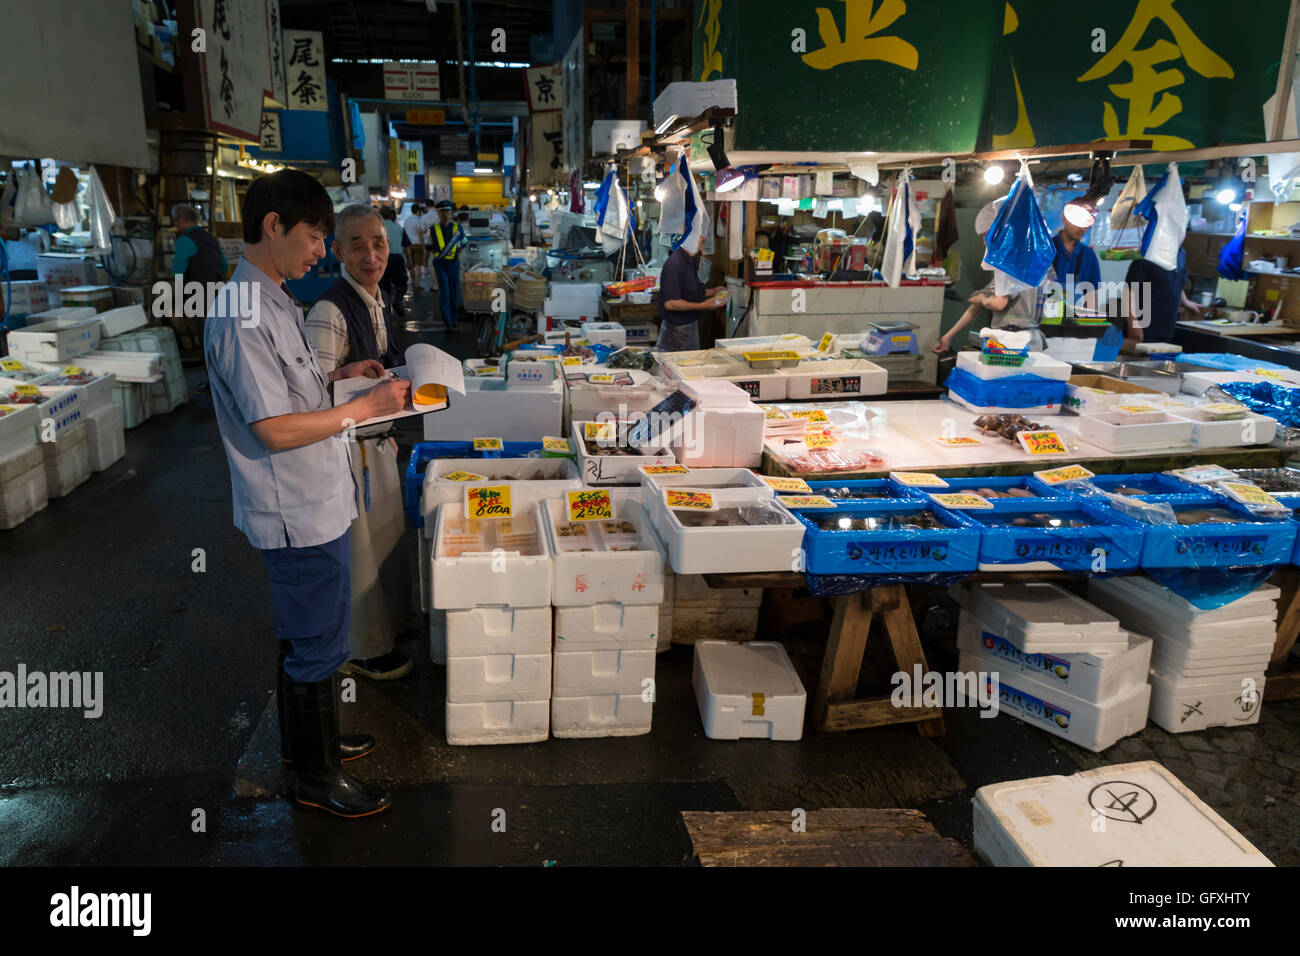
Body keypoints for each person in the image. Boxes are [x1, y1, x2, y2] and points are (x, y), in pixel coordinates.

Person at [204, 170, 410, 818]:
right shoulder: (244, 313)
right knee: (316, 640)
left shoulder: (274, 298)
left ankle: (308, 747)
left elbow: (297, 394)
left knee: (307, 635)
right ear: (274, 227)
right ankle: (317, 778)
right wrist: (365, 407)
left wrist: (344, 377)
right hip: (295, 506)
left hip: (316, 498)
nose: (321, 251)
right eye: (316, 237)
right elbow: (273, 427)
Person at [303, 203, 416, 683]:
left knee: (386, 541)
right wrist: (352, 380)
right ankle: (362, 648)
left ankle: (388, 630)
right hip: (349, 450)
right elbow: (307, 392)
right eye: (357, 244)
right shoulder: (329, 309)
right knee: (361, 554)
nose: (371, 254)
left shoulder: (378, 297)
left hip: (379, 442)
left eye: (379, 243)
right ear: (337, 251)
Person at [934, 199, 1042, 352]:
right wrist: (949, 336)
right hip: (1033, 343)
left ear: (1000, 232)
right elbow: (975, 304)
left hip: (1012, 345)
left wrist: (983, 299)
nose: (985, 243)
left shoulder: (1009, 262)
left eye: (985, 236)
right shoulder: (1039, 259)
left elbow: (998, 303)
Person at [657, 231, 727, 352]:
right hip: (676, 334)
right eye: (699, 235)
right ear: (688, 238)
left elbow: (689, 292)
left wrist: (712, 292)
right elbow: (670, 303)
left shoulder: (690, 261)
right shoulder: (675, 264)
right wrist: (702, 305)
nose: (704, 238)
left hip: (688, 329)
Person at [1125, 247, 1203, 343]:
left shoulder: (1181, 253)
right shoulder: (1148, 252)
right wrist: (1133, 323)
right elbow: (1129, 290)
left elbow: (1176, 281)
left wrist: (1185, 301)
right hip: (1145, 328)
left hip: (1167, 329)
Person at [427, 199, 465, 328]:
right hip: (440, 264)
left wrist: (457, 254)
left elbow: (464, 243)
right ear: (438, 214)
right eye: (442, 212)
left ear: (451, 213)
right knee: (445, 292)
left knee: (455, 291)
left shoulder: (458, 228)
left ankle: (454, 319)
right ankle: (447, 321)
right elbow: (428, 246)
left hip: (454, 263)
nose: (445, 214)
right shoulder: (433, 229)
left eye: (448, 212)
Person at [171, 203, 228, 284]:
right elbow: (224, 266)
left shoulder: (184, 240)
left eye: (175, 220)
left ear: (181, 219)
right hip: (217, 290)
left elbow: (178, 271)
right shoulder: (211, 238)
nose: (175, 225)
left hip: (195, 291)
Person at [378, 206, 408, 316]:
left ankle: (386, 308)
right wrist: (410, 261)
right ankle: (398, 301)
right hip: (397, 258)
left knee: (384, 284)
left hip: (381, 258)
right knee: (401, 283)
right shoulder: (399, 227)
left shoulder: (377, 228)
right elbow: (406, 245)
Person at [402, 203, 426, 291]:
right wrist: (423, 245)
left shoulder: (406, 220)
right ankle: (417, 283)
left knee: (411, 265)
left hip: (408, 245)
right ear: (418, 211)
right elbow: (420, 233)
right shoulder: (419, 220)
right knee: (418, 266)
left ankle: (412, 282)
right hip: (418, 244)